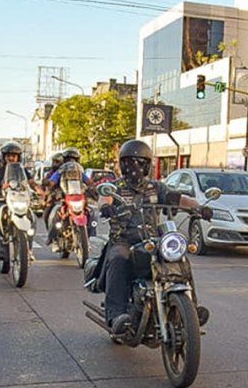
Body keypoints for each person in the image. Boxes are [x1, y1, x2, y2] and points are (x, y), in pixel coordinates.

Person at [98, 139, 212, 337]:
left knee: (180, 259)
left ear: (147, 164)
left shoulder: (156, 187)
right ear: (123, 164)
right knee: (118, 259)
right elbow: (105, 197)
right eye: (130, 162)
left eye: (140, 162)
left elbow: (178, 199)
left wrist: (199, 207)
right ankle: (116, 315)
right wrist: (105, 207)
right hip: (123, 238)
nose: (135, 167)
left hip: (153, 239)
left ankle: (191, 309)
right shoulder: (116, 187)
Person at [0, 141, 34, 259]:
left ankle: (29, 249)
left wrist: (40, 191)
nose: (11, 158)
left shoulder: (24, 172)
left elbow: (32, 184)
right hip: (1, 201)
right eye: (8, 155)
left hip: (18, 200)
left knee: (32, 217)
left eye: (14, 155)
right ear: (3, 157)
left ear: (18, 157)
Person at [46, 148, 92, 249]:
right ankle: (52, 238)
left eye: (74, 159)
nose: (71, 162)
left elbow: (88, 182)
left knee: (90, 212)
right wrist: (49, 184)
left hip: (78, 197)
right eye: (69, 159)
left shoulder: (80, 172)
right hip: (63, 198)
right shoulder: (60, 170)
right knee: (54, 214)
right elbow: (53, 180)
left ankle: (89, 235)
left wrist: (94, 187)